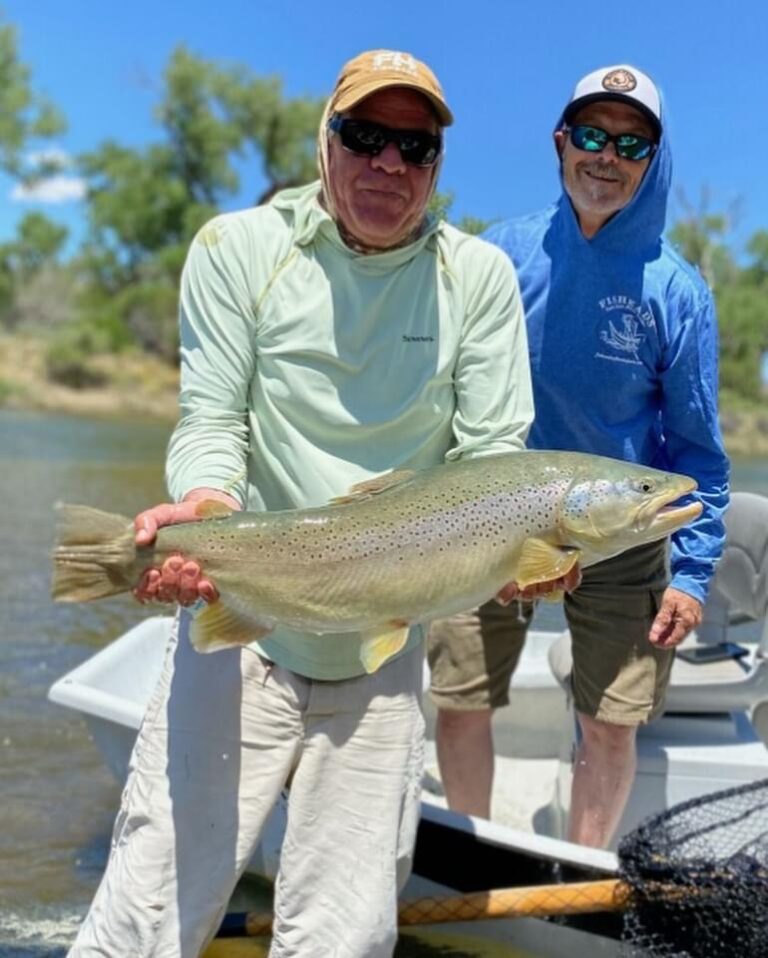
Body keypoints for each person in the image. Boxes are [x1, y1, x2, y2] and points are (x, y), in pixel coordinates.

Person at [67, 50, 538, 958]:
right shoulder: (239, 249)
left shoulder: (477, 278)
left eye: (414, 146)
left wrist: (516, 558)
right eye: (365, 136)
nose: (388, 163)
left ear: (437, 164)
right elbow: (213, 420)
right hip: (245, 625)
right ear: (326, 140)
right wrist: (206, 507)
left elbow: (491, 464)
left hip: (382, 649)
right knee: (147, 916)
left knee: (344, 938)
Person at [428, 64, 730, 846]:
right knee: (460, 699)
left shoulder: (678, 292)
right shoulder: (497, 257)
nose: (607, 156)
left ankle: (576, 873)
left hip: (623, 534)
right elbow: (437, 396)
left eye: (632, 143)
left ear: (654, 159)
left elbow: (698, 453)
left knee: (611, 723)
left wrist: (691, 574)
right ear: (561, 142)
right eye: (593, 135)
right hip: (484, 519)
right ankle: (472, 853)